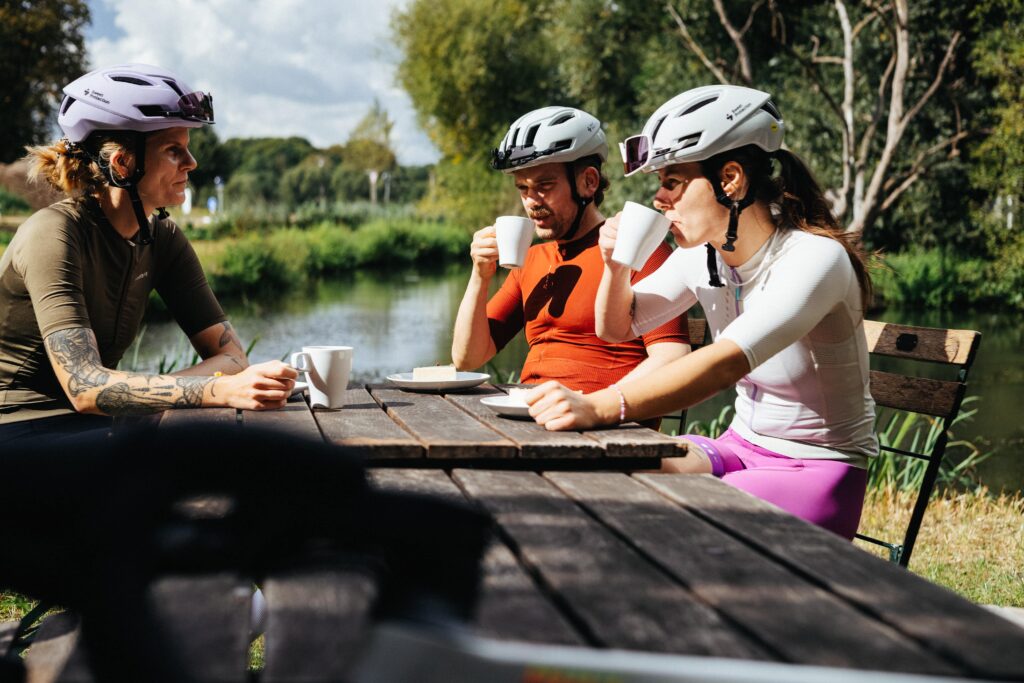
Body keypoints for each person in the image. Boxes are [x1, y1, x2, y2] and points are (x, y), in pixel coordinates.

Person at [523, 86, 877, 539]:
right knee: (603, 481)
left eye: (672, 182)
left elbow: (725, 362)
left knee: (660, 522)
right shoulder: (704, 256)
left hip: (815, 470)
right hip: (736, 448)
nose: (658, 199)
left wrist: (598, 407)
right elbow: (616, 328)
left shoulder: (813, 259)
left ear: (729, 180)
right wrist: (617, 265)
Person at [0, 63, 296, 445]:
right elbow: (85, 388)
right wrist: (215, 390)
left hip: (99, 427)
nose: (192, 164)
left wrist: (154, 394)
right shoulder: (54, 234)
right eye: (174, 151)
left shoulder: (162, 238)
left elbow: (234, 359)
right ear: (123, 163)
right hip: (21, 430)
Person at [452, 106, 690, 400]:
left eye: (545, 186)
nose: (531, 201)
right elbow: (468, 359)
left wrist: (594, 407)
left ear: (588, 182)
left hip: (605, 426)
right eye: (523, 188)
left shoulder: (635, 248)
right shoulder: (531, 260)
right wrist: (479, 275)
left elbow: (672, 358)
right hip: (526, 413)